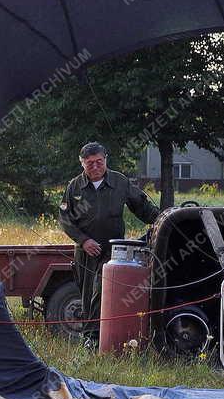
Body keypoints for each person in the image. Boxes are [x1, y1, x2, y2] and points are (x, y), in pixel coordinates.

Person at [58, 141, 158, 345]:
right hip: (86, 252)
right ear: (82, 164)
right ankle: (91, 339)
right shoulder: (75, 186)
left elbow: (143, 209)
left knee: (104, 292)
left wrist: (163, 219)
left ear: (105, 160)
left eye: (99, 162)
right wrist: (84, 241)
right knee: (87, 295)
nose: (95, 167)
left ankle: (105, 337)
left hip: (113, 252)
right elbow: (65, 219)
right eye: (89, 163)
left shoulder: (120, 182)